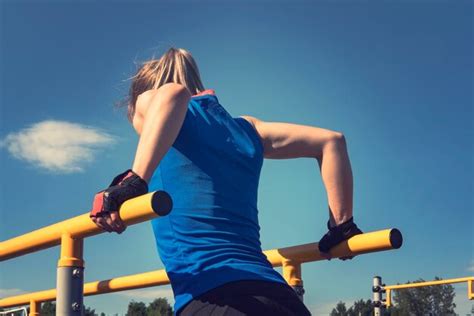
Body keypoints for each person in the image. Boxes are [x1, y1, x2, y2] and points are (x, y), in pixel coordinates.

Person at [89, 47, 363, 316]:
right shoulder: (248, 128)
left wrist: (134, 182)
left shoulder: (161, 103)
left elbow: (174, 93)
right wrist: (342, 224)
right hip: (278, 295)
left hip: (212, 296)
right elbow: (331, 142)